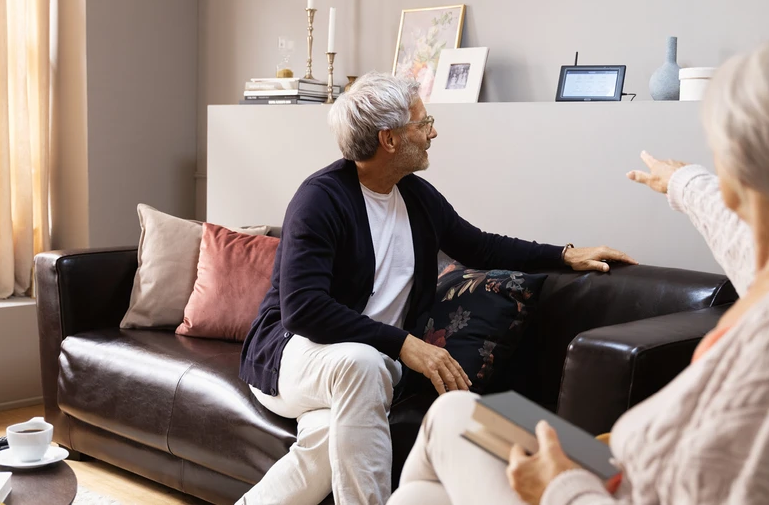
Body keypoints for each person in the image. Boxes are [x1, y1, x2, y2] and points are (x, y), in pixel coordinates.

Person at [389, 32, 769, 505]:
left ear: (754, 160)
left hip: (605, 490)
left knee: (449, 426)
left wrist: (558, 487)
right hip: (616, 470)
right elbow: (749, 242)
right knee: (433, 466)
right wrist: (685, 185)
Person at [236, 71, 636, 505]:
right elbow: (303, 310)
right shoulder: (321, 200)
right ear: (389, 139)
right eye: (423, 124)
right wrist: (404, 344)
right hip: (295, 355)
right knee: (362, 363)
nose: (433, 133)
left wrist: (564, 255)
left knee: (321, 451)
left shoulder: (416, 197)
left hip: (365, 368)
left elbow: (481, 247)